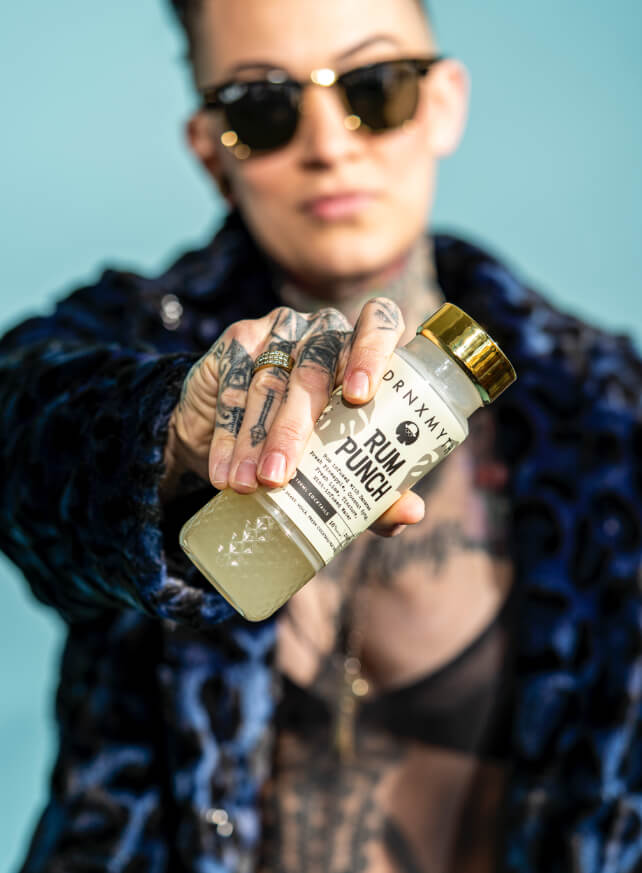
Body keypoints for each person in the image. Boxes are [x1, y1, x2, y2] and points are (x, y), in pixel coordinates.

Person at [1, 0, 641, 870]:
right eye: (263, 106)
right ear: (210, 150)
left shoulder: (608, 413)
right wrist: (171, 429)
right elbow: (22, 431)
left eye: (377, 87)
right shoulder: (136, 336)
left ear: (444, 104)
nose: (330, 143)